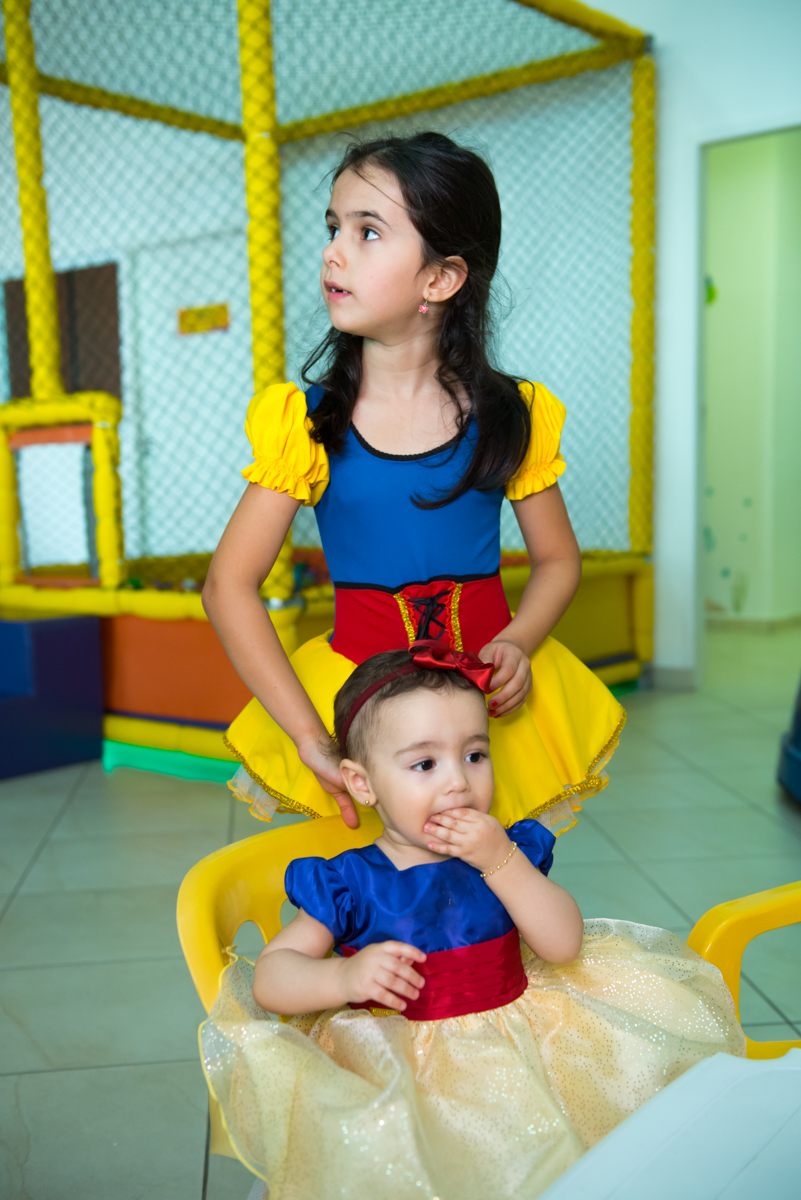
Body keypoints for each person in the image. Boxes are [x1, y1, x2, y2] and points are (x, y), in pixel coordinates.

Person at [200, 647, 746, 1200]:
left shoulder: (505, 851)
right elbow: (271, 978)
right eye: (424, 764)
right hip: (399, 1072)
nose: (458, 783)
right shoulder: (350, 882)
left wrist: (501, 861)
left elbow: (562, 944)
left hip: (523, 1047)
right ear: (362, 784)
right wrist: (341, 979)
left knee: (560, 1162)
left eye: (475, 755)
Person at [203, 130, 625, 834]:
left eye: (368, 232)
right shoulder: (303, 422)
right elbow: (228, 586)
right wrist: (309, 734)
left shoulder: (510, 416)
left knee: (496, 894)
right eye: (333, 227)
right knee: (385, 900)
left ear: (440, 278)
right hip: (365, 709)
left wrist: (519, 639)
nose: (333, 251)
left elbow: (556, 560)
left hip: (484, 713)